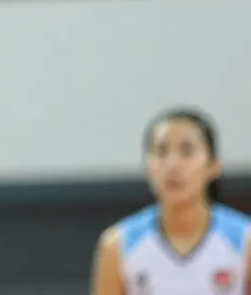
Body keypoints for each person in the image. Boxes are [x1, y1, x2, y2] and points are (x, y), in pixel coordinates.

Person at [92, 108, 250, 295]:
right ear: (147, 166)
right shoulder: (117, 245)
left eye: (187, 151)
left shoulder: (244, 241)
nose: (172, 164)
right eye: (161, 151)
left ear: (213, 165)